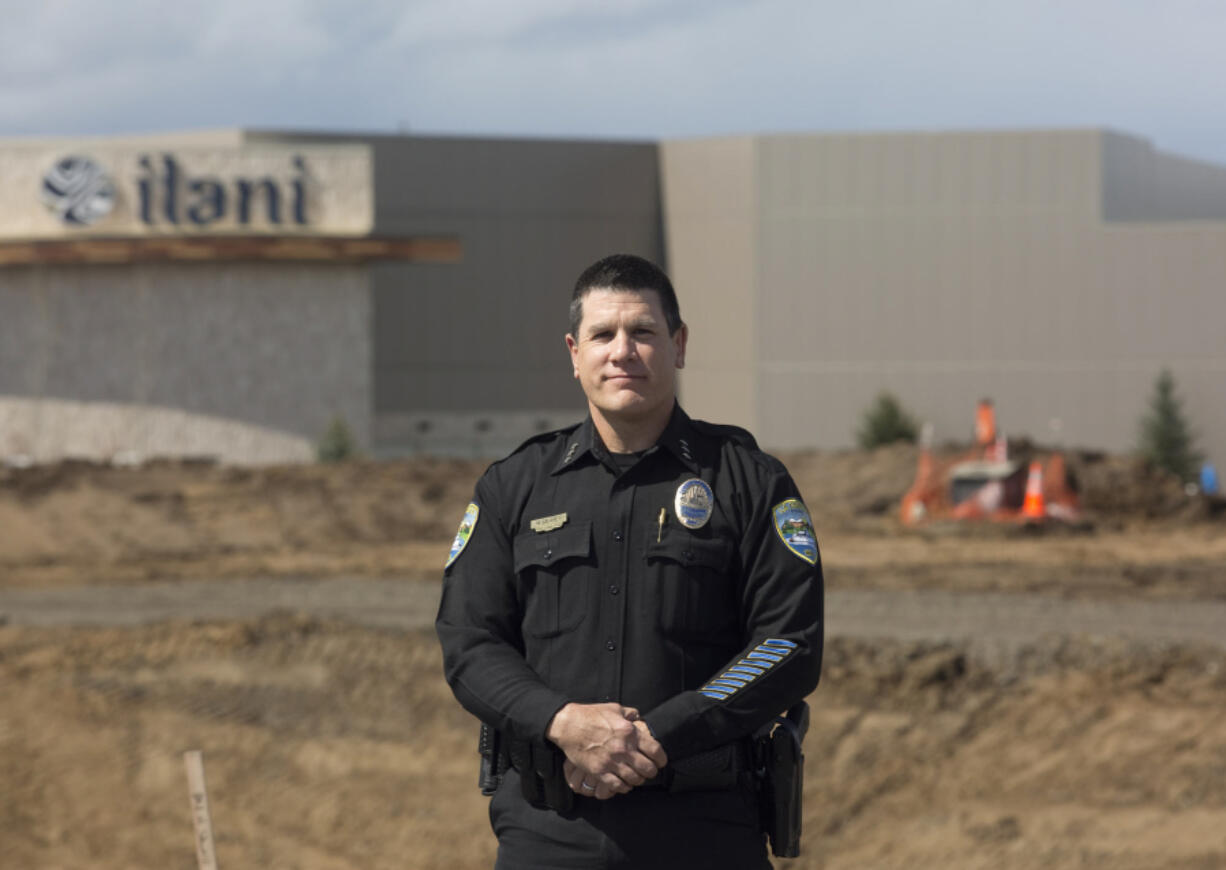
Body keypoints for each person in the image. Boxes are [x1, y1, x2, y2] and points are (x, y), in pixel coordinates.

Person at [436, 253, 823, 869]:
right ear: (573, 352)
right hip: (548, 836)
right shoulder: (514, 487)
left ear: (679, 344)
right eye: (602, 335)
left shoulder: (751, 482)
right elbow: (469, 642)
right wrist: (562, 722)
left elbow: (788, 643)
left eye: (643, 332)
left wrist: (655, 737)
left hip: (705, 835)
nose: (623, 351)